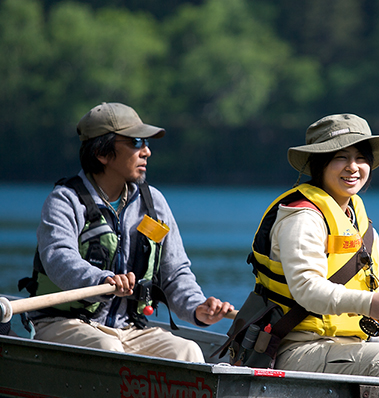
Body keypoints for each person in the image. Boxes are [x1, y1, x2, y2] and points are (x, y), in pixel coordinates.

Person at [247, 113, 379, 381]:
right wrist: (369, 303)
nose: (352, 167)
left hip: (351, 346)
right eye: (341, 158)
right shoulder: (302, 218)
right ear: (319, 164)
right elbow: (307, 289)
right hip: (297, 347)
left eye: (361, 158)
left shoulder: (361, 224)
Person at [19, 102, 233, 362]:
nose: (147, 152)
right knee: (109, 350)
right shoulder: (65, 200)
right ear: (103, 153)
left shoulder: (153, 203)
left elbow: (175, 273)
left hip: (130, 328)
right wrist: (102, 280)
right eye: (137, 142)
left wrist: (198, 308)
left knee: (189, 352)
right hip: (64, 323)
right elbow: (59, 258)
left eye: (146, 143)